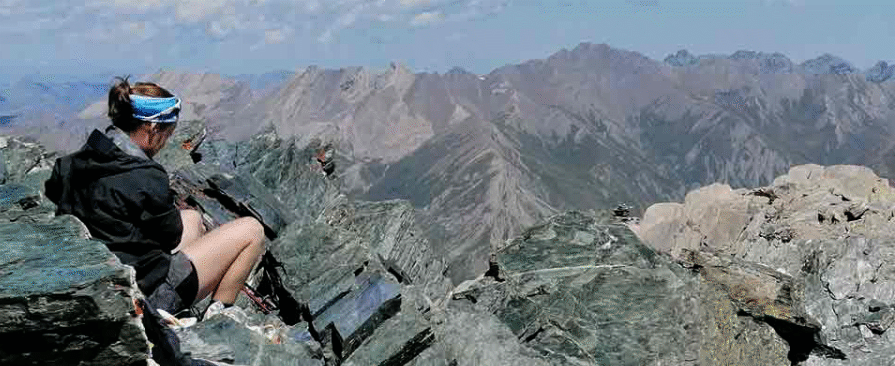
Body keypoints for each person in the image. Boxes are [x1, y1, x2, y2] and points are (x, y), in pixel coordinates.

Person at [44, 76, 266, 318]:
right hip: (145, 295)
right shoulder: (145, 176)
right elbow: (170, 237)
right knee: (252, 230)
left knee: (191, 218)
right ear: (152, 128)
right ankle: (220, 316)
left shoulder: (68, 164)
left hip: (99, 282)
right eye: (167, 134)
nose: (165, 142)